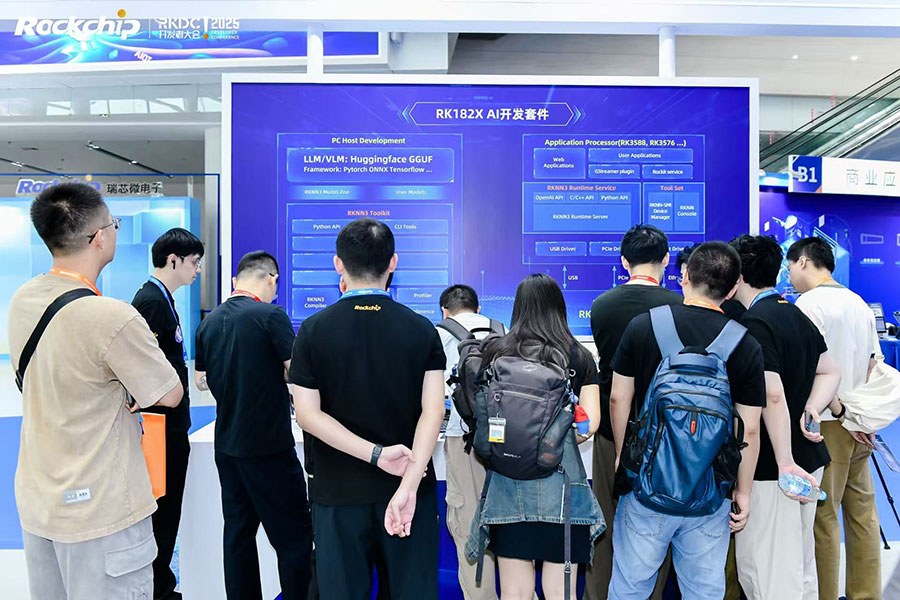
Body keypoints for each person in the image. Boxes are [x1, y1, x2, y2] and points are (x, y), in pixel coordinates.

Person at [8, 182, 183, 599]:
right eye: (114, 224)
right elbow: (170, 392)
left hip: (40, 501)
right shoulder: (111, 317)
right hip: (102, 510)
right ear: (99, 237)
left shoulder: (23, 299)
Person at [291, 218, 445, 599]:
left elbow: (307, 415)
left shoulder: (313, 330)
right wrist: (409, 484)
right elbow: (434, 411)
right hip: (408, 493)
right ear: (392, 263)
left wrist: (376, 455)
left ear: (338, 264)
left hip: (337, 494)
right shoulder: (422, 329)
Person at [608, 242, 765, 600]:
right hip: (709, 491)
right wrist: (743, 491)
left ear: (684, 276)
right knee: (703, 590)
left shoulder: (643, 326)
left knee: (630, 586)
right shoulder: (745, 343)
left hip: (647, 484)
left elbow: (618, 397)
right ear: (732, 288)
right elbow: (750, 429)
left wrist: (621, 456)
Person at [466, 273, 605, 600]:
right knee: (559, 590)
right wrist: (554, 439)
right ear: (559, 308)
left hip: (506, 487)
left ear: (519, 308)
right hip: (562, 489)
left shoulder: (496, 352)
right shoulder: (577, 355)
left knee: (515, 590)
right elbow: (589, 425)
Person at [729, 235, 842, 600]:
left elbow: (772, 394)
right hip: (807, 461)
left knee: (767, 571)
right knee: (799, 565)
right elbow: (830, 370)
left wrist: (784, 461)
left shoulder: (756, 323)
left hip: (774, 468)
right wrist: (812, 407)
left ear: (738, 275)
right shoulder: (794, 313)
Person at [194, 251, 312, 600]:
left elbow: (201, 379)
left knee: (238, 536)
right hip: (268, 446)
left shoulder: (209, 323)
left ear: (237, 280)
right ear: (272, 279)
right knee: (293, 538)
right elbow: (297, 372)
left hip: (228, 445)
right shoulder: (270, 316)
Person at [585, 224, 681, 600]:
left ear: (624, 261)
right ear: (666, 260)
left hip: (612, 430)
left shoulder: (602, 305)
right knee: (657, 527)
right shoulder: (678, 307)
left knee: (605, 522)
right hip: (666, 434)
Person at [787, 236, 882, 600]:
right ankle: (866, 594)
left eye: (790, 266)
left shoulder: (809, 304)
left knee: (822, 517)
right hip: (858, 424)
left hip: (825, 423)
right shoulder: (859, 303)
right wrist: (861, 418)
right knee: (862, 515)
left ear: (803, 261)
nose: (789, 274)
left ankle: (825, 595)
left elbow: (808, 367)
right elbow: (873, 365)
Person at [132, 227, 204, 600]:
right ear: (173, 260)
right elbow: (139, 364)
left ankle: (160, 582)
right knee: (162, 508)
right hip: (159, 427)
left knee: (167, 507)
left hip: (169, 424)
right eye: (194, 262)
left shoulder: (163, 299)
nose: (197, 270)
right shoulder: (151, 302)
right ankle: (158, 586)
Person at [437, 284, 506, 600]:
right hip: (507, 441)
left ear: (445, 311)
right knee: (509, 525)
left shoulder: (439, 335)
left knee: (468, 525)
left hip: (462, 438)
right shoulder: (502, 331)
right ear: (478, 309)